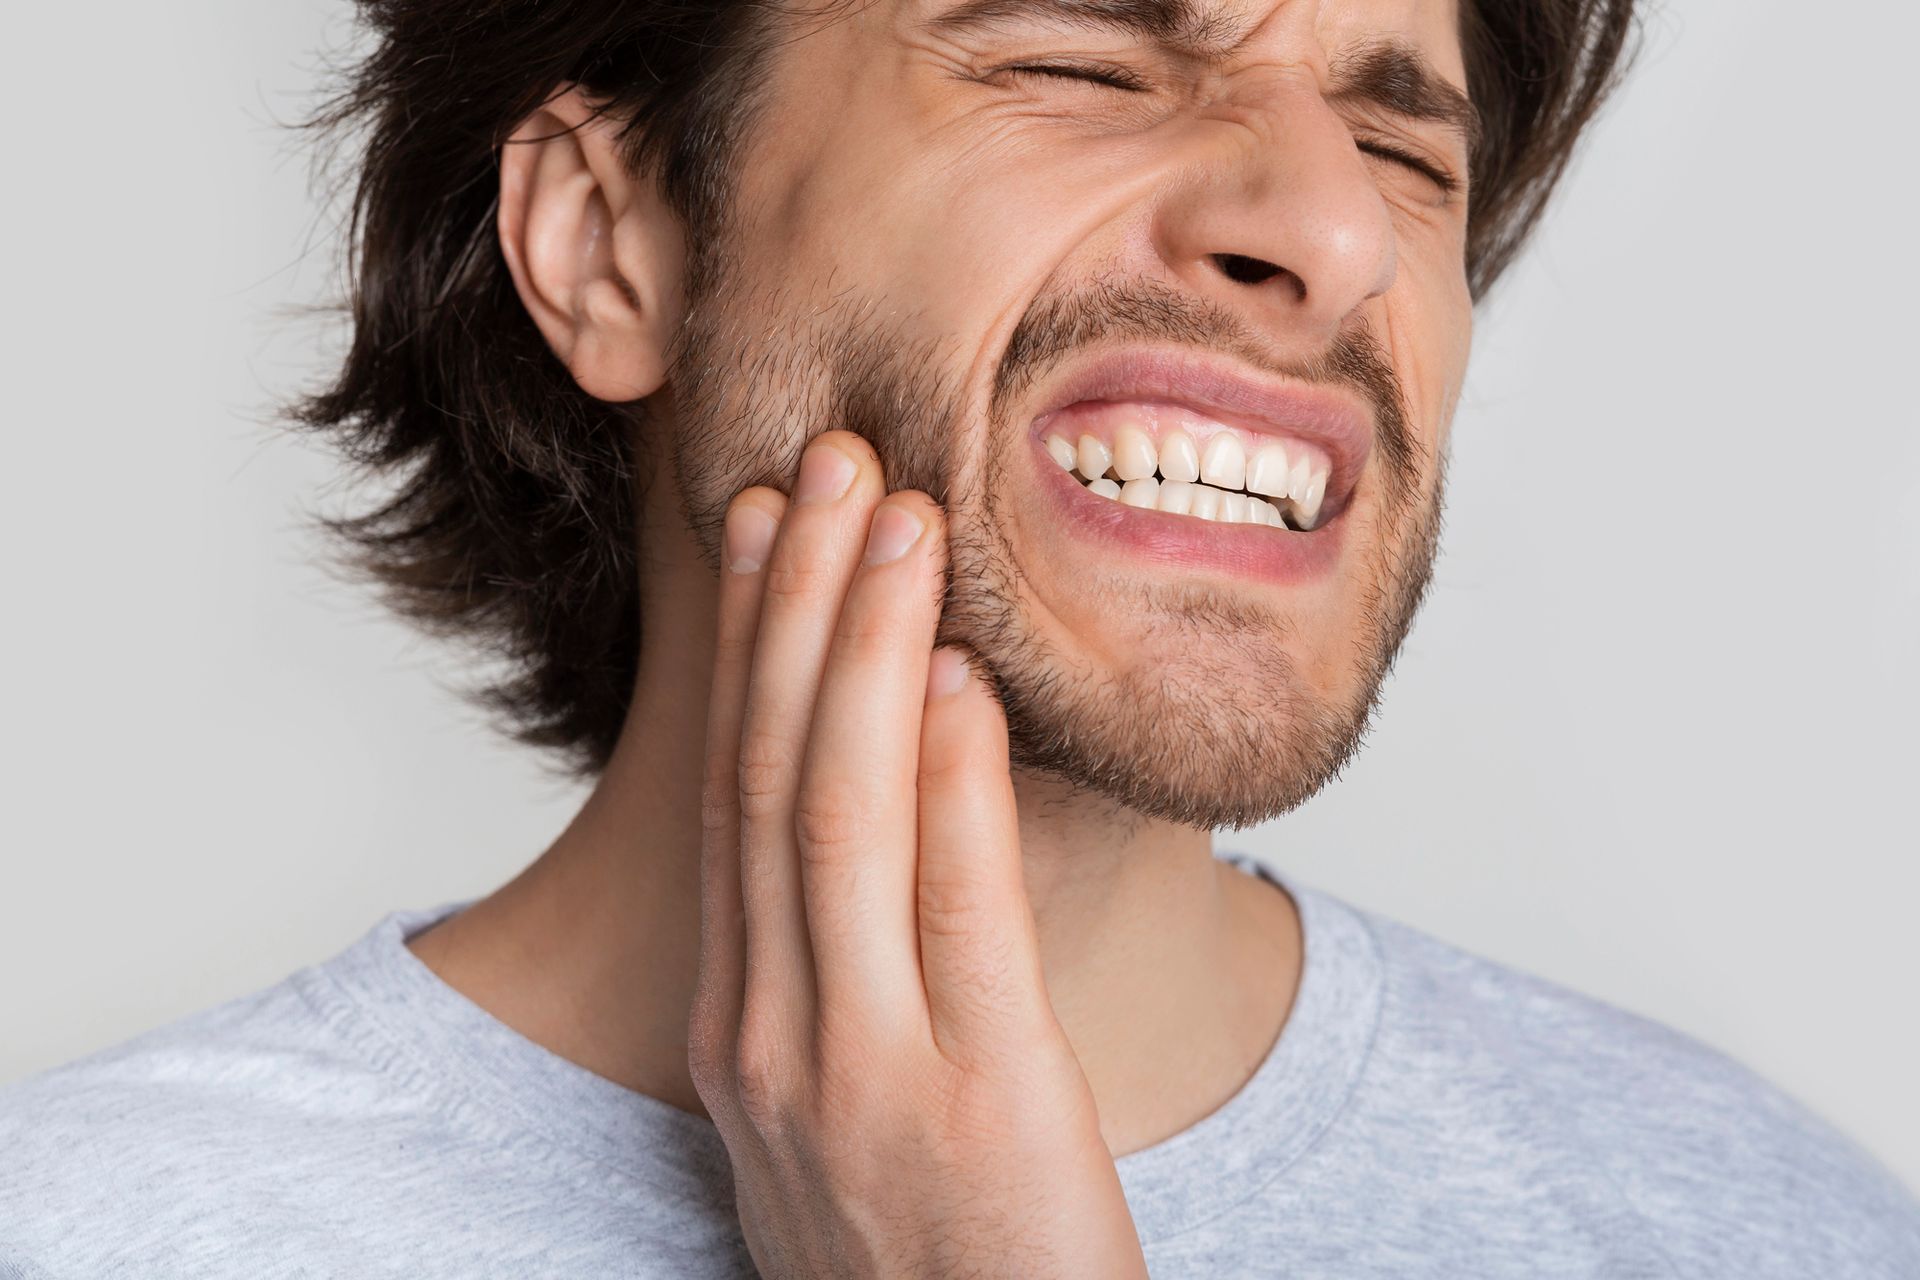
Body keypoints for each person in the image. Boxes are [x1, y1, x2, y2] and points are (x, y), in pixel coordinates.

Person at [3, 0, 1917, 1274]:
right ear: (608, 242)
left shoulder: (1768, 1234)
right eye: (1082, 56)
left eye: (1406, 152)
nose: (1331, 229)